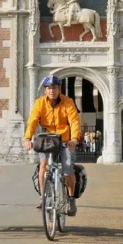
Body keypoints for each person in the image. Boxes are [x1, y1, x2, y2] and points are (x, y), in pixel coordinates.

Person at [24, 75, 81, 216]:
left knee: (68, 168)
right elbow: (32, 120)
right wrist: (27, 138)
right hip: (48, 139)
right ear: (45, 90)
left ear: (59, 89)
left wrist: (74, 138)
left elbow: (74, 120)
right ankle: (43, 197)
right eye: (49, 88)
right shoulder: (39, 103)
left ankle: (71, 198)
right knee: (43, 166)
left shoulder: (67, 102)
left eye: (54, 88)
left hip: (65, 140)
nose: (52, 91)